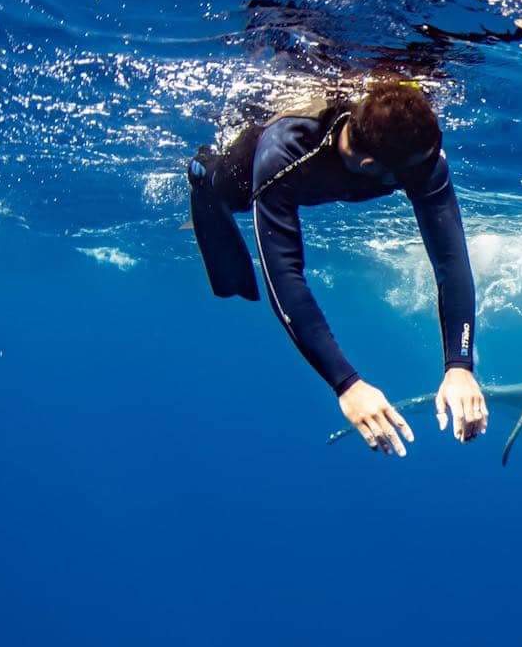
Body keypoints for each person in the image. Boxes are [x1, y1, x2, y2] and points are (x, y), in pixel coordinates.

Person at [184, 80, 487, 454]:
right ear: (368, 166)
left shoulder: (421, 158)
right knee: (229, 193)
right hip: (256, 162)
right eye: (415, 172)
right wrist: (347, 385)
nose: (429, 171)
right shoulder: (284, 155)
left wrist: (459, 365)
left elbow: (451, 261)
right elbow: (285, 277)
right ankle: (200, 171)